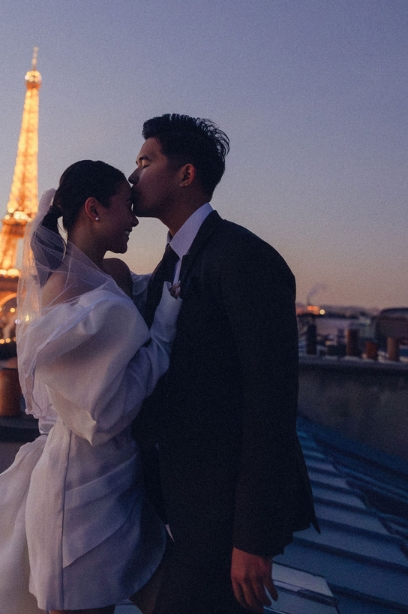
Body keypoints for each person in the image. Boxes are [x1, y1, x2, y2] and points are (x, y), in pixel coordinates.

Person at [0, 160, 182, 614]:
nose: (135, 217)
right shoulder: (64, 293)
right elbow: (105, 413)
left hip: (114, 471)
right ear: (93, 209)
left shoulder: (116, 276)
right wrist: (162, 333)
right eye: (126, 205)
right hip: (79, 480)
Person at [129, 114, 317, 614]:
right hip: (176, 507)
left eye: (146, 162)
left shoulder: (244, 258)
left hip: (222, 520)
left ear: (186, 175)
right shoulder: (173, 262)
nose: (133, 176)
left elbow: (271, 402)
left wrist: (252, 539)